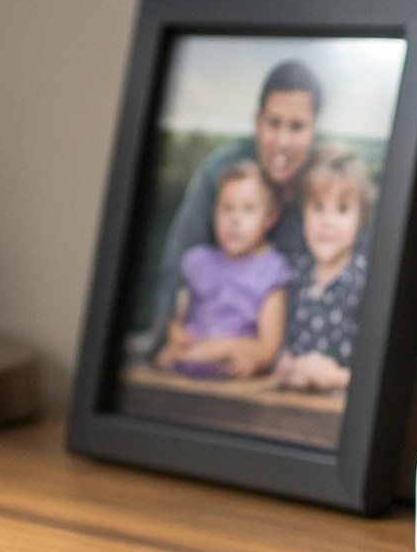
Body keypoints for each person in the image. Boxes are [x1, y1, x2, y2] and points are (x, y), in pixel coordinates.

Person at [138, 60, 322, 355]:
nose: (282, 142)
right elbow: (178, 260)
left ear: (315, 129)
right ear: (257, 121)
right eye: (273, 123)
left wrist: (266, 352)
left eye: (297, 127)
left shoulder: (324, 187)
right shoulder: (220, 172)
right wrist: (171, 328)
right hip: (205, 345)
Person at [153, 161, 291, 379]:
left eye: (248, 209)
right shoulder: (197, 262)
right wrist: (177, 337)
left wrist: (229, 350)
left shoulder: (271, 271)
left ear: (270, 217)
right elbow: (176, 321)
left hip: (235, 381)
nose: (235, 219)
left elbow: (268, 348)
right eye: (227, 208)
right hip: (186, 372)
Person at [273, 147, 375, 394]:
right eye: (318, 207)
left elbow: (376, 372)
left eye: (342, 209)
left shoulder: (366, 282)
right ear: (303, 213)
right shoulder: (293, 275)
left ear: (361, 218)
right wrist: (284, 365)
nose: (327, 221)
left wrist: (338, 377)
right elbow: (279, 344)